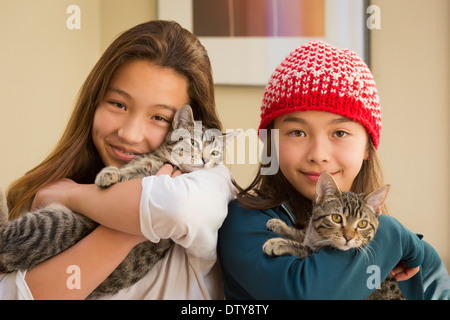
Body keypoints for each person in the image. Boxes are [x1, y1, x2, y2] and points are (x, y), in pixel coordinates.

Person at [0, 20, 234, 300]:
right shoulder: (42, 195)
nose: (130, 134)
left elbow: (176, 207)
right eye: (118, 104)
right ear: (94, 102)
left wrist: (72, 195)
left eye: (159, 117)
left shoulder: (209, 180)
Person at [218, 41, 450, 299]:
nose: (318, 155)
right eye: (297, 132)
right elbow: (305, 294)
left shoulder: (418, 260)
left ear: (367, 148)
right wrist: (392, 234)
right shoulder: (243, 222)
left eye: (339, 132)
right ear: (270, 143)